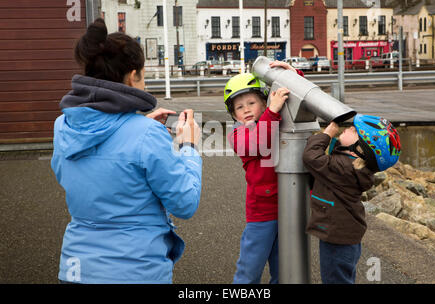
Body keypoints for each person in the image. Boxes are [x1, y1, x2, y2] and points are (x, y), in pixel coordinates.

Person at [51, 18, 202, 284]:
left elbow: (82, 171)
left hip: (74, 268)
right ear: (133, 76)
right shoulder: (146, 135)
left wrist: (135, 127)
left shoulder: (63, 125)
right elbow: (185, 202)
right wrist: (188, 146)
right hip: (135, 272)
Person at [303, 114, 401, 284]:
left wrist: (327, 135)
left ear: (360, 149)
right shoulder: (350, 167)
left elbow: (311, 157)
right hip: (345, 235)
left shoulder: (342, 168)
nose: (348, 128)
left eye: (355, 131)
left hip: (337, 237)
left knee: (335, 280)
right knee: (342, 278)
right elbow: (331, 158)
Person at [224, 62, 292, 284]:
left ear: (264, 101)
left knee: (285, 271)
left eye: (251, 103)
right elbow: (258, 143)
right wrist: (272, 111)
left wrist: (291, 74)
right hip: (262, 212)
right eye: (239, 107)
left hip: (289, 206)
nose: (246, 109)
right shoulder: (238, 134)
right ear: (234, 115)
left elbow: (297, 98)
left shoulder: (273, 118)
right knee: (249, 271)